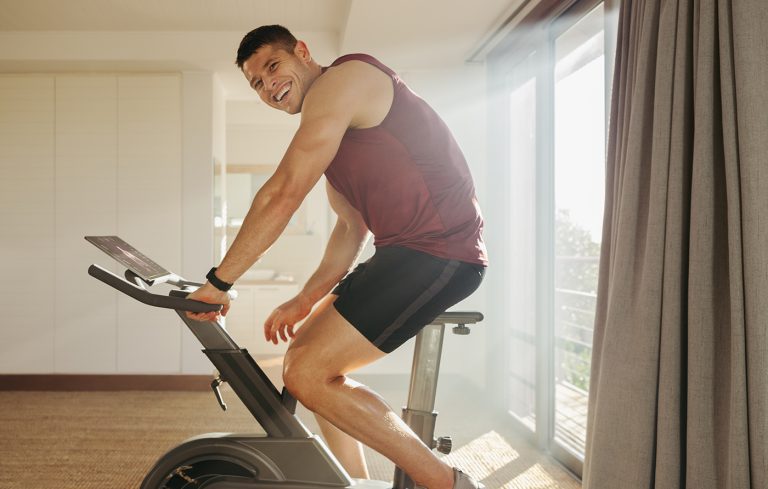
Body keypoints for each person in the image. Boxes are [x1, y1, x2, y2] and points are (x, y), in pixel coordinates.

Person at [187, 25, 488, 489]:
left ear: (303, 53)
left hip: (440, 251)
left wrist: (220, 281)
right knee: (304, 363)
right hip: (403, 252)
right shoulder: (338, 135)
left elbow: (284, 191)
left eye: (273, 66)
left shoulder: (346, 79)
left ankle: (448, 483)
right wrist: (304, 300)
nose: (269, 85)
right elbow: (350, 229)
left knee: (308, 373)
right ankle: (354, 482)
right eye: (256, 83)